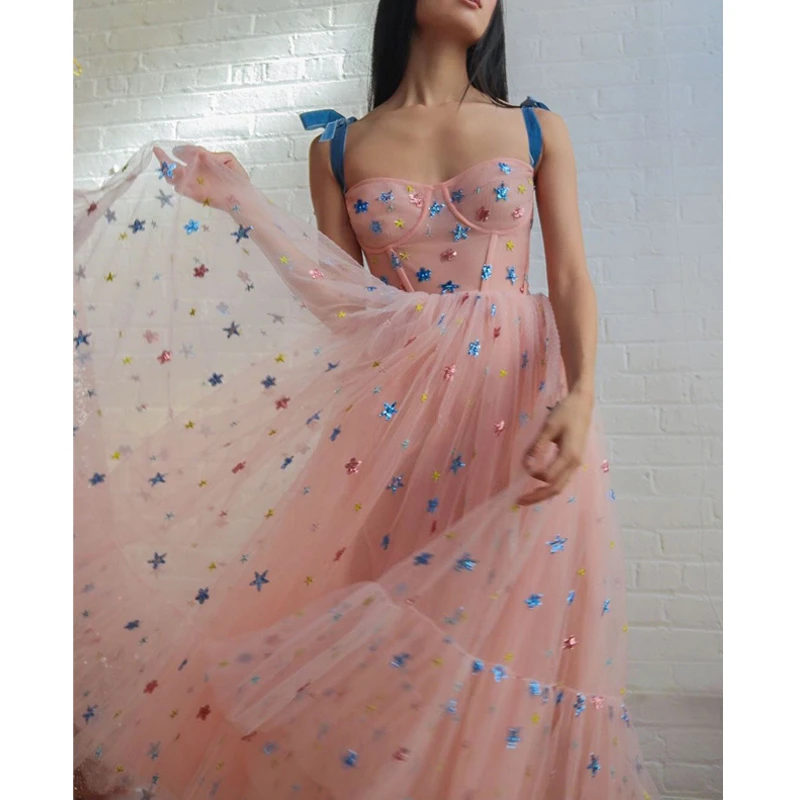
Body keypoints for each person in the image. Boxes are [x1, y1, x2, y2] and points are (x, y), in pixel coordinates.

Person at [73, 1, 658, 798]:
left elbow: (570, 277)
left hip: (522, 406)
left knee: (509, 641)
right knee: (390, 635)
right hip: (397, 424)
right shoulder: (338, 146)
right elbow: (343, 301)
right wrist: (244, 202)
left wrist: (582, 396)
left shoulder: (535, 128)